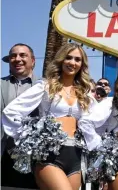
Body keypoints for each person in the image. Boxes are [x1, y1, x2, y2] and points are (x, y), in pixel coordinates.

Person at [2, 43, 95, 190]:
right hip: (49, 155)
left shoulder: (85, 92)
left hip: (75, 155)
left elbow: (94, 121)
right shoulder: (45, 86)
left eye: (77, 59)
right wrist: (26, 138)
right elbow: (12, 111)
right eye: (68, 58)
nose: (72, 62)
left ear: (82, 64)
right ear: (61, 60)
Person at [1, 43, 38, 189]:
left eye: (23, 55)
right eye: (13, 56)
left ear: (33, 60)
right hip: (3, 154)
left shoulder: (45, 86)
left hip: (34, 158)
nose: (17, 59)